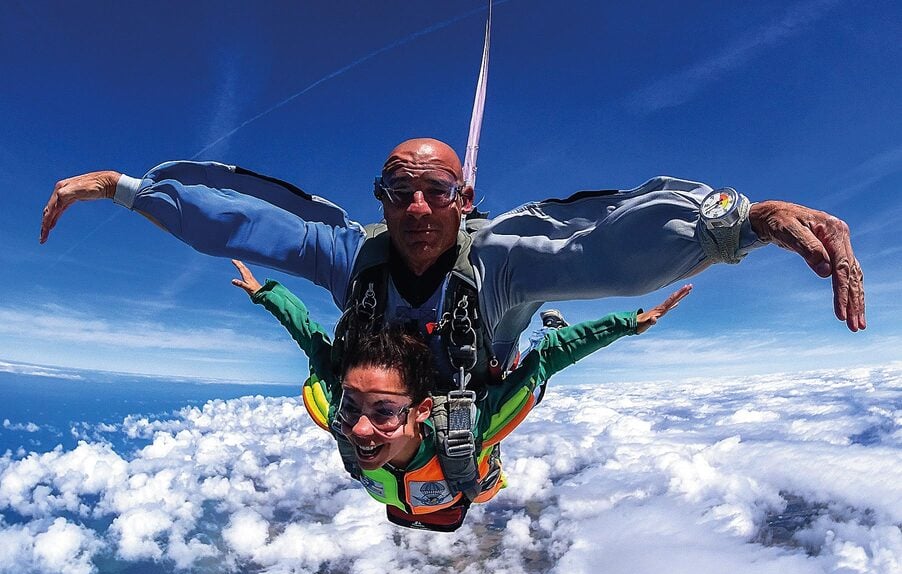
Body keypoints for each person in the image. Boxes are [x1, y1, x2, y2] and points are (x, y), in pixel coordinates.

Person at [39, 139, 865, 393]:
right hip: (403, 408)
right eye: (400, 191)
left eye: (437, 191)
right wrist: (126, 189)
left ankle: (531, 340)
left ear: (462, 200)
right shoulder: (352, 258)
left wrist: (736, 226)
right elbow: (247, 225)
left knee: (538, 329)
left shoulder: (499, 261)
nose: (418, 208)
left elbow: (605, 253)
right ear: (381, 199)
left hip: (482, 372)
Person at [230, 259, 690, 532]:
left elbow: (546, 361)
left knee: (530, 382)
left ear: (421, 410)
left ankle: (548, 323)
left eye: (384, 411)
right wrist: (265, 294)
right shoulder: (340, 416)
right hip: (456, 490)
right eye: (352, 404)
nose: (360, 428)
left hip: (465, 466)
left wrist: (626, 323)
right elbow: (316, 346)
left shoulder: (469, 432)